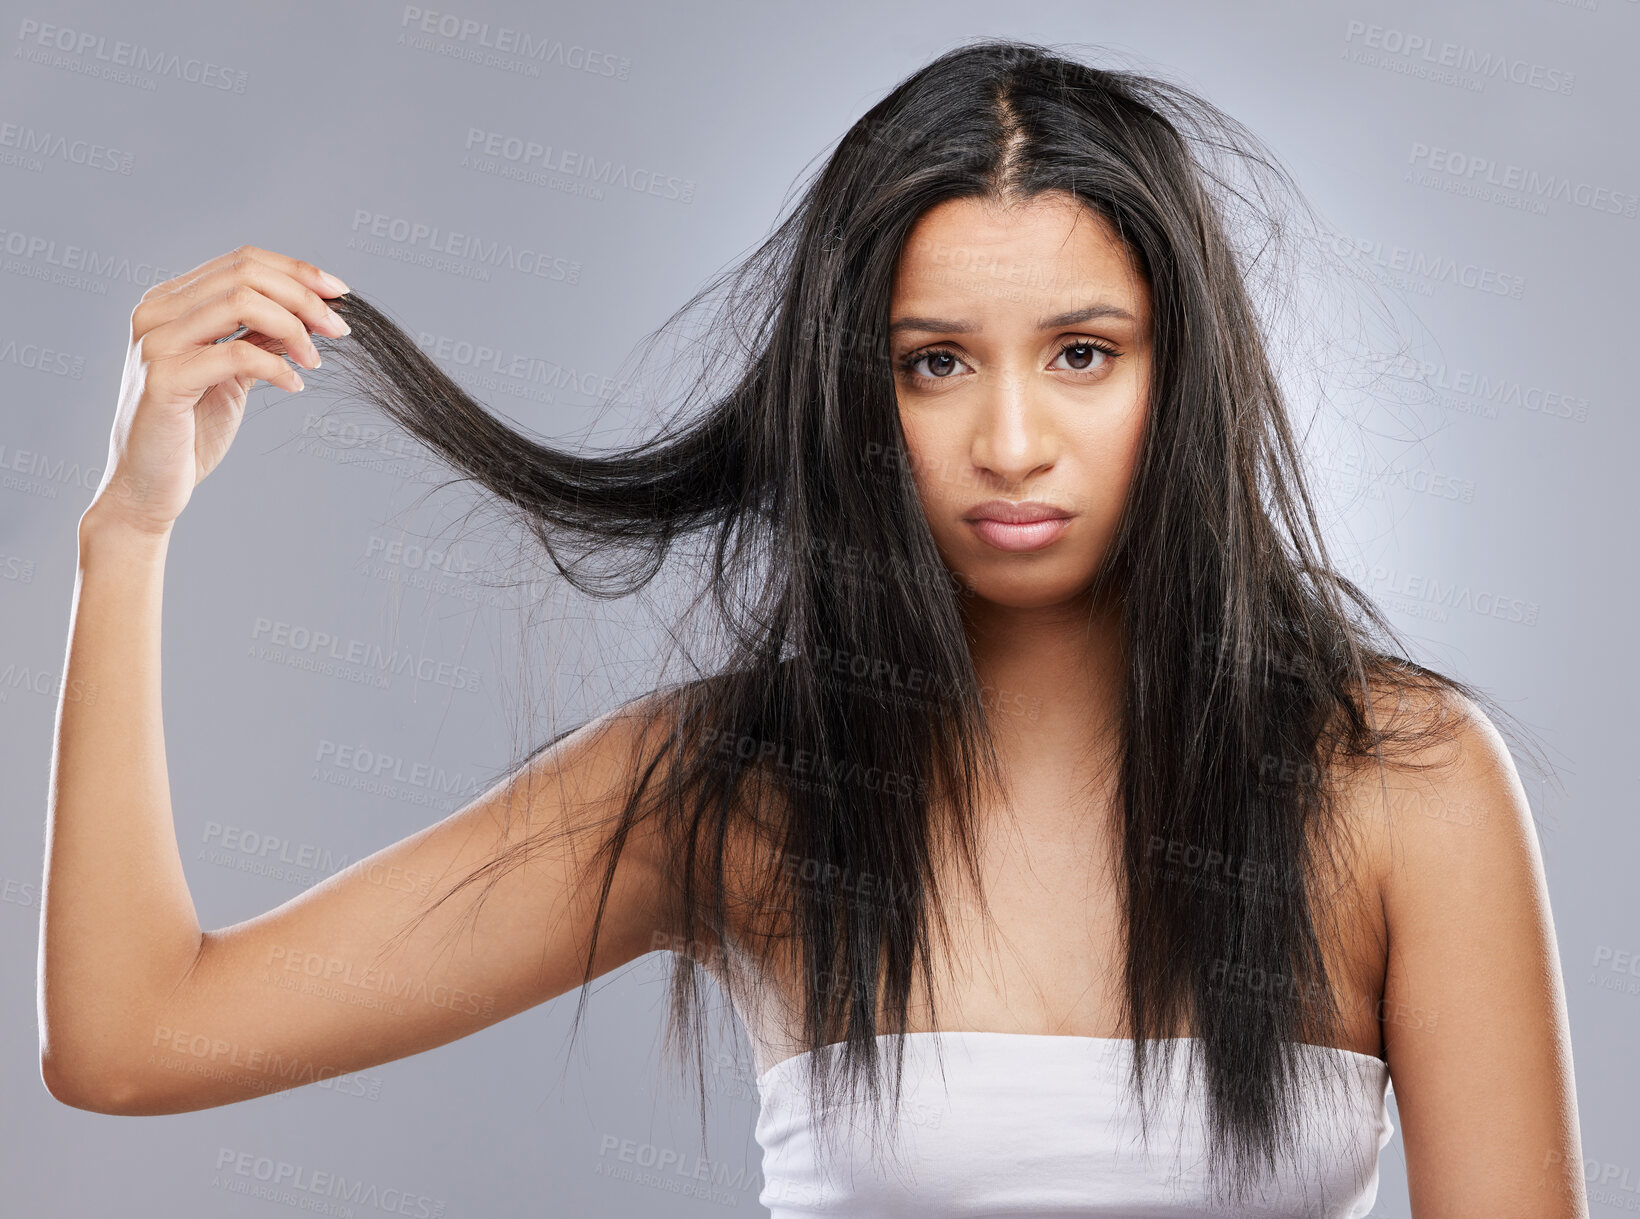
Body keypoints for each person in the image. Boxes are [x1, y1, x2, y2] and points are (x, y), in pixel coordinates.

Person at [38, 37, 1585, 1217]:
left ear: (1181, 379)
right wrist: (128, 534)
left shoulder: (1403, 784)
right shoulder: (741, 787)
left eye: (1083, 353)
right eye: (934, 364)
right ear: (856, 392)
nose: (1013, 440)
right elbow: (133, 1040)